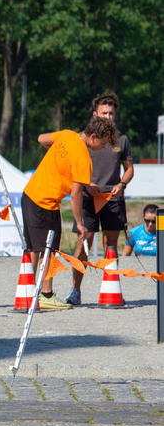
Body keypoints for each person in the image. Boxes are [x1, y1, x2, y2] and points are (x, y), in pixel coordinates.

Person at [23, 117, 118, 309]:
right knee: (49, 249)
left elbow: (42, 139)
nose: (104, 146)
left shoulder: (68, 135)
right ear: (93, 136)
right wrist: (80, 223)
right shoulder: (83, 159)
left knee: (34, 247)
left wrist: (60, 158)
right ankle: (46, 295)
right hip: (46, 202)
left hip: (30, 193)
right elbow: (75, 196)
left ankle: (27, 293)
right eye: (104, 142)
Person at [62, 93, 134, 305]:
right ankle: (75, 290)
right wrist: (86, 184)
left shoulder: (121, 140)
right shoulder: (82, 139)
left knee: (110, 244)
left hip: (112, 199)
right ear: (95, 114)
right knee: (84, 243)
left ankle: (111, 287)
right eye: (104, 113)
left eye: (112, 113)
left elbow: (129, 170)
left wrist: (122, 184)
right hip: (87, 198)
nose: (109, 117)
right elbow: (70, 169)